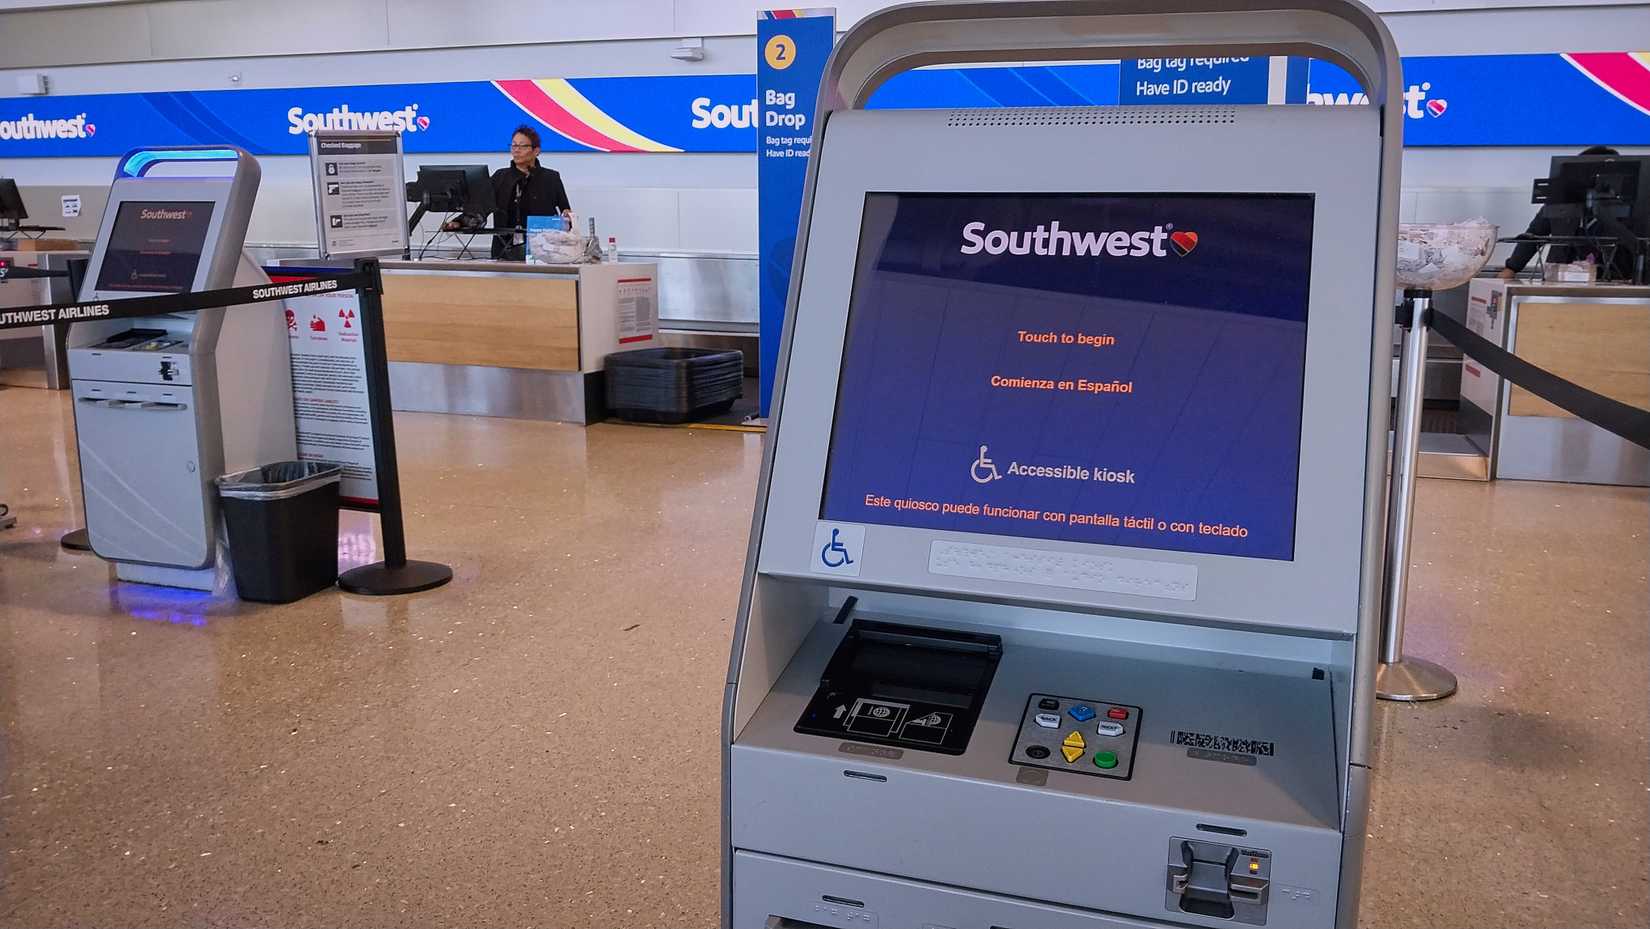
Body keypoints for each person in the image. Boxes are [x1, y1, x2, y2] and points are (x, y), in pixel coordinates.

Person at [1499, 145, 1630, 280]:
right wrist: (1512, 268)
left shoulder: (1625, 207)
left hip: (1612, 280)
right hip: (1559, 279)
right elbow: (1533, 236)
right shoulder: (1558, 203)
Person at [446, 125, 572, 260]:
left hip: (542, 251)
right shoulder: (500, 177)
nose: (516, 151)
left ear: (536, 151)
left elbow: (566, 212)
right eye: (513, 146)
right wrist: (459, 222)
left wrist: (567, 217)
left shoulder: (551, 178)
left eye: (522, 146)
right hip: (503, 251)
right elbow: (480, 208)